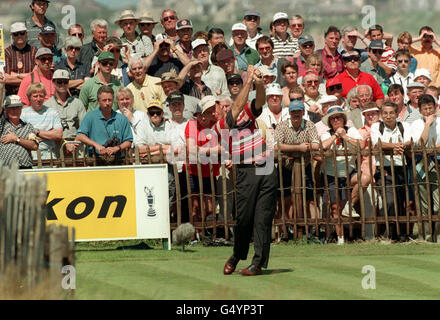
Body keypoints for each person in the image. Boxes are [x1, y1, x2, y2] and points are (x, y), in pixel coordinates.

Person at [220, 65, 276, 276]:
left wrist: (259, 84)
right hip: (245, 171)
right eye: (223, 106)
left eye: (228, 105)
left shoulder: (247, 114)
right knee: (243, 219)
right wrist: (249, 80)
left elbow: (260, 101)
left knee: (263, 218)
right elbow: (237, 106)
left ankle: (257, 263)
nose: (228, 108)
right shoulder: (223, 123)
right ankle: (237, 255)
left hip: (266, 167)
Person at [320, 106, 365, 245]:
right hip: (331, 174)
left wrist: (345, 136)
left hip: (349, 172)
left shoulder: (351, 130)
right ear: (329, 122)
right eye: (333, 118)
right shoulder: (326, 134)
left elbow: (361, 145)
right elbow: (322, 147)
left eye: (339, 117)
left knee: (363, 178)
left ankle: (350, 205)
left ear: (344, 119)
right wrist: (335, 136)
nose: (336, 120)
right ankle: (340, 237)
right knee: (335, 208)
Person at [371, 102, 412, 240]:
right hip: (384, 168)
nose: (388, 116)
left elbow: (409, 141)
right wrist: (396, 146)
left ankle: (399, 235)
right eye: (385, 113)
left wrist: (400, 146)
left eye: (391, 113)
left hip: (401, 167)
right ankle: (386, 233)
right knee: (389, 201)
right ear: (381, 115)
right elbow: (378, 143)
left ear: (396, 114)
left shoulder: (404, 126)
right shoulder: (377, 126)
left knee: (401, 202)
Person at [274, 100, 320, 222]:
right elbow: (276, 146)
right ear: (289, 113)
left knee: (310, 199)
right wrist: (299, 148)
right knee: (285, 200)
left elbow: (316, 145)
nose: (296, 114)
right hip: (285, 166)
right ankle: (286, 229)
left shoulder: (309, 125)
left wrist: (289, 148)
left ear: (303, 112)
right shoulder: (282, 125)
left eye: (298, 111)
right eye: (293, 111)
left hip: (306, 165)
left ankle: (313, 230)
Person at [184, 95, 220, 224]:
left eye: (205, 114)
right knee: (194, 206)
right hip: (194, 171)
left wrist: (203, 150)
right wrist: (211, 149)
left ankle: (205, 232)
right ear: (196, 116)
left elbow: (223, 148)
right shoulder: (192, 124)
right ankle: (195, 235)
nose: (203, 118)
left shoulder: (216, 125)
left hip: (210, 172)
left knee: (209, 207)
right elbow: (191, 149)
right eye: (200, 115)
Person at [410, 94, 440, 241]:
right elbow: (421, 144)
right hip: (422, 164)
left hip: (438, 162)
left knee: (438, 204)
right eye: (425, 109)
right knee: (424, 204)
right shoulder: (415, 124)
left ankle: (438, 235)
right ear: (420, 110)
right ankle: (427, 236)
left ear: (435, 108)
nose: (428, 111)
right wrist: (427, 124)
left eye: (430, 108)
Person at [76, 85, 133, 161]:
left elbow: (128, 141)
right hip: (95, 159)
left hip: (118, 160)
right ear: (98, 101)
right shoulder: (90, 116)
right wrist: (96, 145)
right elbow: (80, 135)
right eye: (104, 100)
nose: (107, 103)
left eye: (110, 100)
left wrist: (117, 148)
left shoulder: (122, 118)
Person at [44, 69, 86, 155]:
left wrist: (75, 143)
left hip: (76, 144)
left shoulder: (77, 103)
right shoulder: (47, 105)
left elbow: (84, 127)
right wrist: (64, 143)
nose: (62, 84)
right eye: (59, 82)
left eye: (65, 82)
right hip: (56, 146)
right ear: (53, 83)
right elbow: (46, 130)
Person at [20, 82, 63, 160]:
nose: (38, 99)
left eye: (41, 96)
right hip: (29, 154)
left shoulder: (53, 112)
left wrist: (36, 132)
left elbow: (58, 135)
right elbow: (21, 136)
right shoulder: (23, 114)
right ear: (29, 97)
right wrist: (49, 134)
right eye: (35, 96)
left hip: (49, 154)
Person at [0, 95, 38, 169]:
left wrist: (16, 139)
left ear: (21, 109)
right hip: (6, 170)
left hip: (26, 168)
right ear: (6, 110)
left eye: (17, 108)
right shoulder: (2, 124)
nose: (15, 111)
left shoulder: (28, 126)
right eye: (12, 108)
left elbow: (34, 146)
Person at [4, 22, 38, 96]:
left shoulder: (35, 51)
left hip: (31, 93)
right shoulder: (6, 52)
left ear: (26, 33)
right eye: (16, 34)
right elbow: (6, 79)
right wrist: (28, 77)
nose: (19, 36)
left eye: (22, 33)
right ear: (12, 36)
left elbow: (36, 77)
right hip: (11, 94)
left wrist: (16, 75)